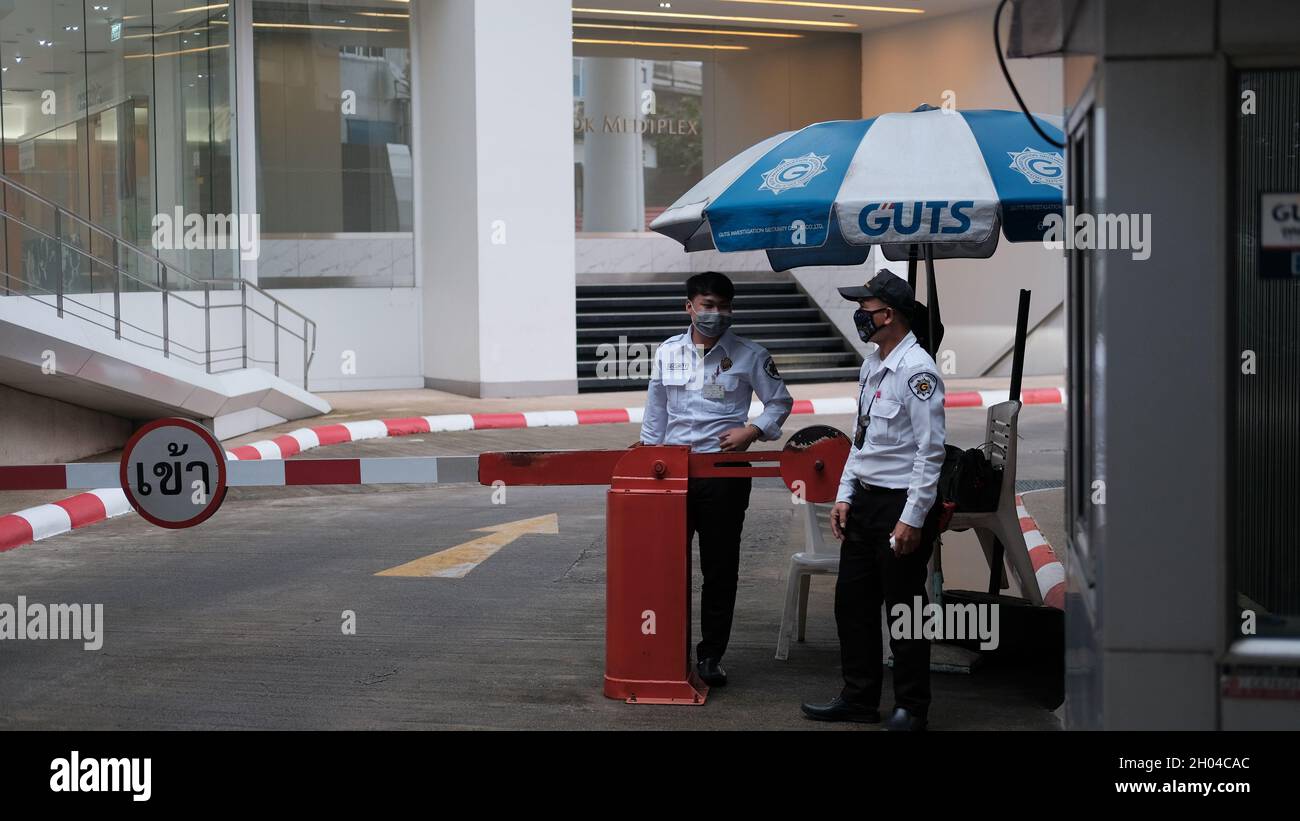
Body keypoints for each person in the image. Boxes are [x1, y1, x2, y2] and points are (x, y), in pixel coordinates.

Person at [801, 270, 946, 731]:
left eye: (865, 307)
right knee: (852, 604)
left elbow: (931, 451)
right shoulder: (872, 365)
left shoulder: (918, 372)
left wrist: (912, 518)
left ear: (890, 315)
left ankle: (912, 708)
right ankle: (859, 698)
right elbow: (862, 441)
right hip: (864, 504)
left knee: (904, 611)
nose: (859, 315)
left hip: (899, 508)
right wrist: (845, 495)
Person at [640, 271, 793, 687]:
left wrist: (754, 431)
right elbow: (655, 412)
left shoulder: (750, 354)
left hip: (724, 474)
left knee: (720, 568)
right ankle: (667, 649)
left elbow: (779, 402)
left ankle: (711, 655)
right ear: (689, 307)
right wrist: (648, 457)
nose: (717, 314)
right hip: (672, 474)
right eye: (708, 306)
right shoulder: (667, 352)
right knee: (666, 566)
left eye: (724, 306)